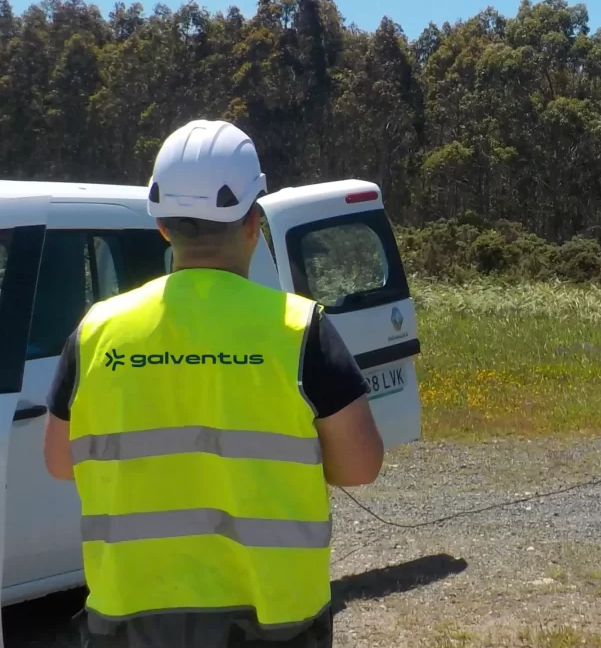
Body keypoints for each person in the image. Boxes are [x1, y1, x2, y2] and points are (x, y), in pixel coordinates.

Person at [44, 119, 384, 648]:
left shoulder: (96, 331)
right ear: (253, 221)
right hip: (273, 618)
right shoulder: (299, 329)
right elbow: (361, 466)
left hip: (130, 618)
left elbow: (60, 461)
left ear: (162, 225)